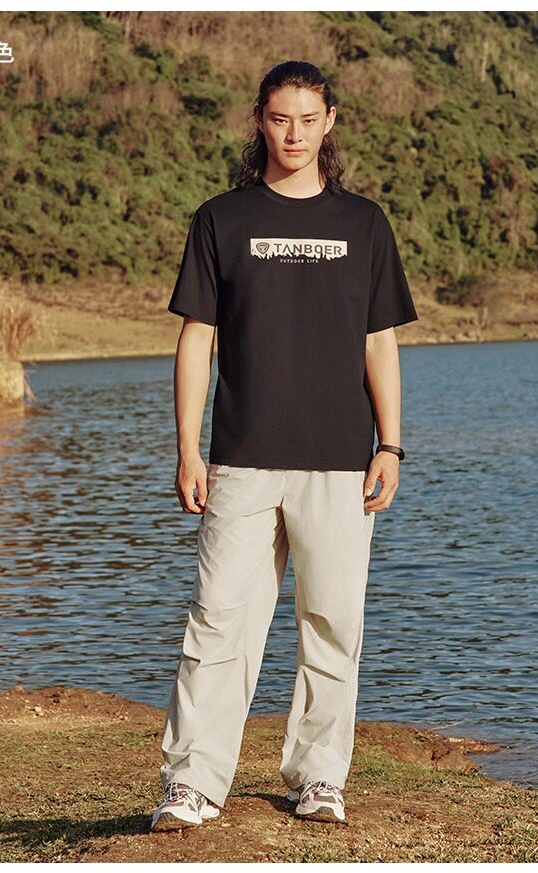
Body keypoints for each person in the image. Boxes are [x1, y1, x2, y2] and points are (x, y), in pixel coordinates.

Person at [151, 59, 418, 832]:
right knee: (217, 622)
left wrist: (391, 444)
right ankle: (192, 782)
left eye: (307, 119)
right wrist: (188, 447)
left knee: (332, 622)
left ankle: (319, 775)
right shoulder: (221, 219)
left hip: (341, 460)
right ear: (259, 121)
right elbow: (196, 338)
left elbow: (379, 342)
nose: (293, 133)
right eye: (279, 119)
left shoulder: (364, 224)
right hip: (240, 457)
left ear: (329, 121)